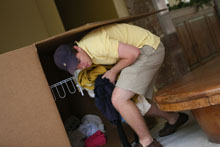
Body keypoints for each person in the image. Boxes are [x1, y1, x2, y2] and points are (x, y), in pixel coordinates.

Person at [54, 23, 189, 147]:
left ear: (76, 48)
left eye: (78, 60)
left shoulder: (96, 45)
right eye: (76, 66)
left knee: (119, 99)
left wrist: (113, 71)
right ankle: (174, 118)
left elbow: (133, 53)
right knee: (131, 102)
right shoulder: (87, 53)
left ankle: (147, 142)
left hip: (148, 49)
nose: (81, 66)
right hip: (140, 52)